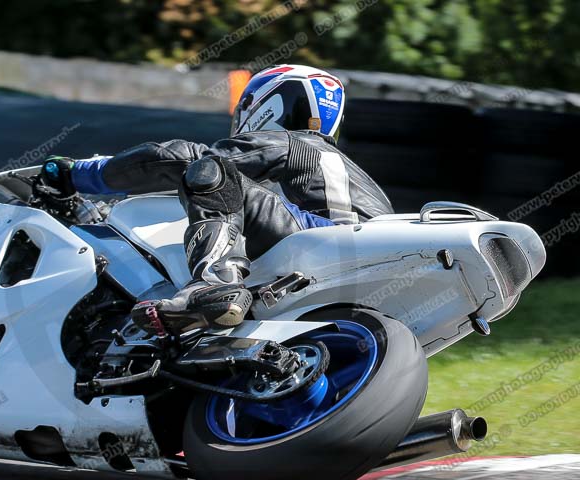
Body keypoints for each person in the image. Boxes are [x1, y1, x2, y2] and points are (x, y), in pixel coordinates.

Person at [40, 65, 394, 334]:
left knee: (212, 170)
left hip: (328, 240)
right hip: (376, 270)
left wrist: (83, 174)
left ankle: (216, 282)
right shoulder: (345, 171)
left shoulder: (290, 143)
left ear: (269, 105)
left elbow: (181, 157)